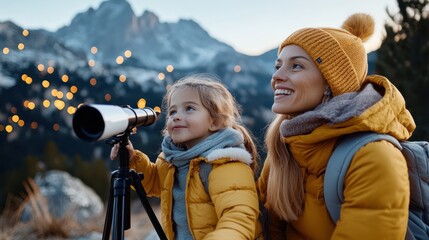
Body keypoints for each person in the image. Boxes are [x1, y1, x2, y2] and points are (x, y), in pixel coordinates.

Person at [257, 13, 415, 239]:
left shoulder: (373, 157)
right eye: (278, 65)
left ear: (331, 83)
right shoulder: (284, 150)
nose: (276, 77)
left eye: (296, 66)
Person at [111, 74, 261, 239]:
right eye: (172, 111)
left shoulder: (226, 165)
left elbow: (239, 217)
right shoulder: (172, 160)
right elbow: (154, 183)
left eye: (189, 108)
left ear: (215, 122)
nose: (175, 116)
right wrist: (132, 160)